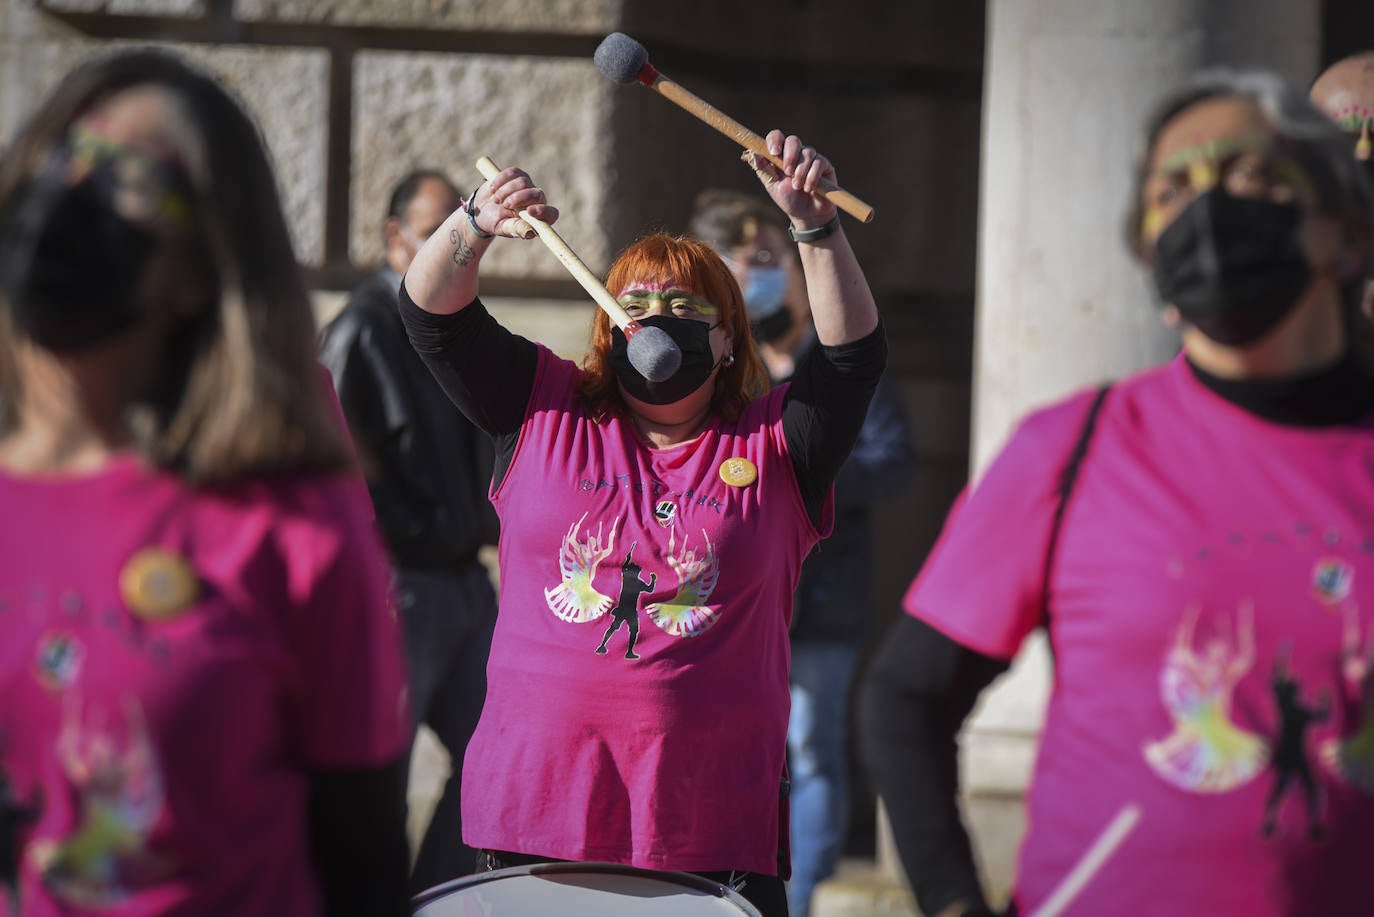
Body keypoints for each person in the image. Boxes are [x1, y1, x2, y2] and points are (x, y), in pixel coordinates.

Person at [860, 69, 1374, 917]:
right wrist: (955, 904)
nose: (1210, 210)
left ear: (1346, 234)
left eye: (1252, 175)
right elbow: (904, 698)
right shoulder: (1074, 447)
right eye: (1173, 189)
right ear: (1148, 254)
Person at [399, 131, 883, 917]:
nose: (659, 319)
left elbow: (852, 359)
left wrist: (815, 227)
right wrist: (473, 224)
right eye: (638, 305)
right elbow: (431, 316)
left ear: (727, 340)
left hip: (709, 833)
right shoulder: (542, 405)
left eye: (687, 307)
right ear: (607, 326)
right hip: (535, 820)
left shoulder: (774, 443)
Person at [0, 49, 410, 916]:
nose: (76, 194)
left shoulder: (295, 526)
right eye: (61, 159)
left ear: (200, 267)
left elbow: (361, 865)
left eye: (132, 179)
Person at [690, 190, 918, 916]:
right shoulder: (721, 366)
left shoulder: (837, 356)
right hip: (728, 602)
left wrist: (803, 471)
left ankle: (801, 896)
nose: (755, 277)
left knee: (812, 754)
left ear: (793, 265)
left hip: (822, 604)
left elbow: (892, 460)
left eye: (766, 261)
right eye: (738, 266)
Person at [319, 169, 498, 893]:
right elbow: (332, 470)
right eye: (433, 227)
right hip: (398, 585)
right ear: (394, 237)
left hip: (464, 577)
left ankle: (429, 899)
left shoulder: (455, 321)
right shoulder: (361, 328)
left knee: (496, 757)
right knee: (377, 773)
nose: (451, 240)